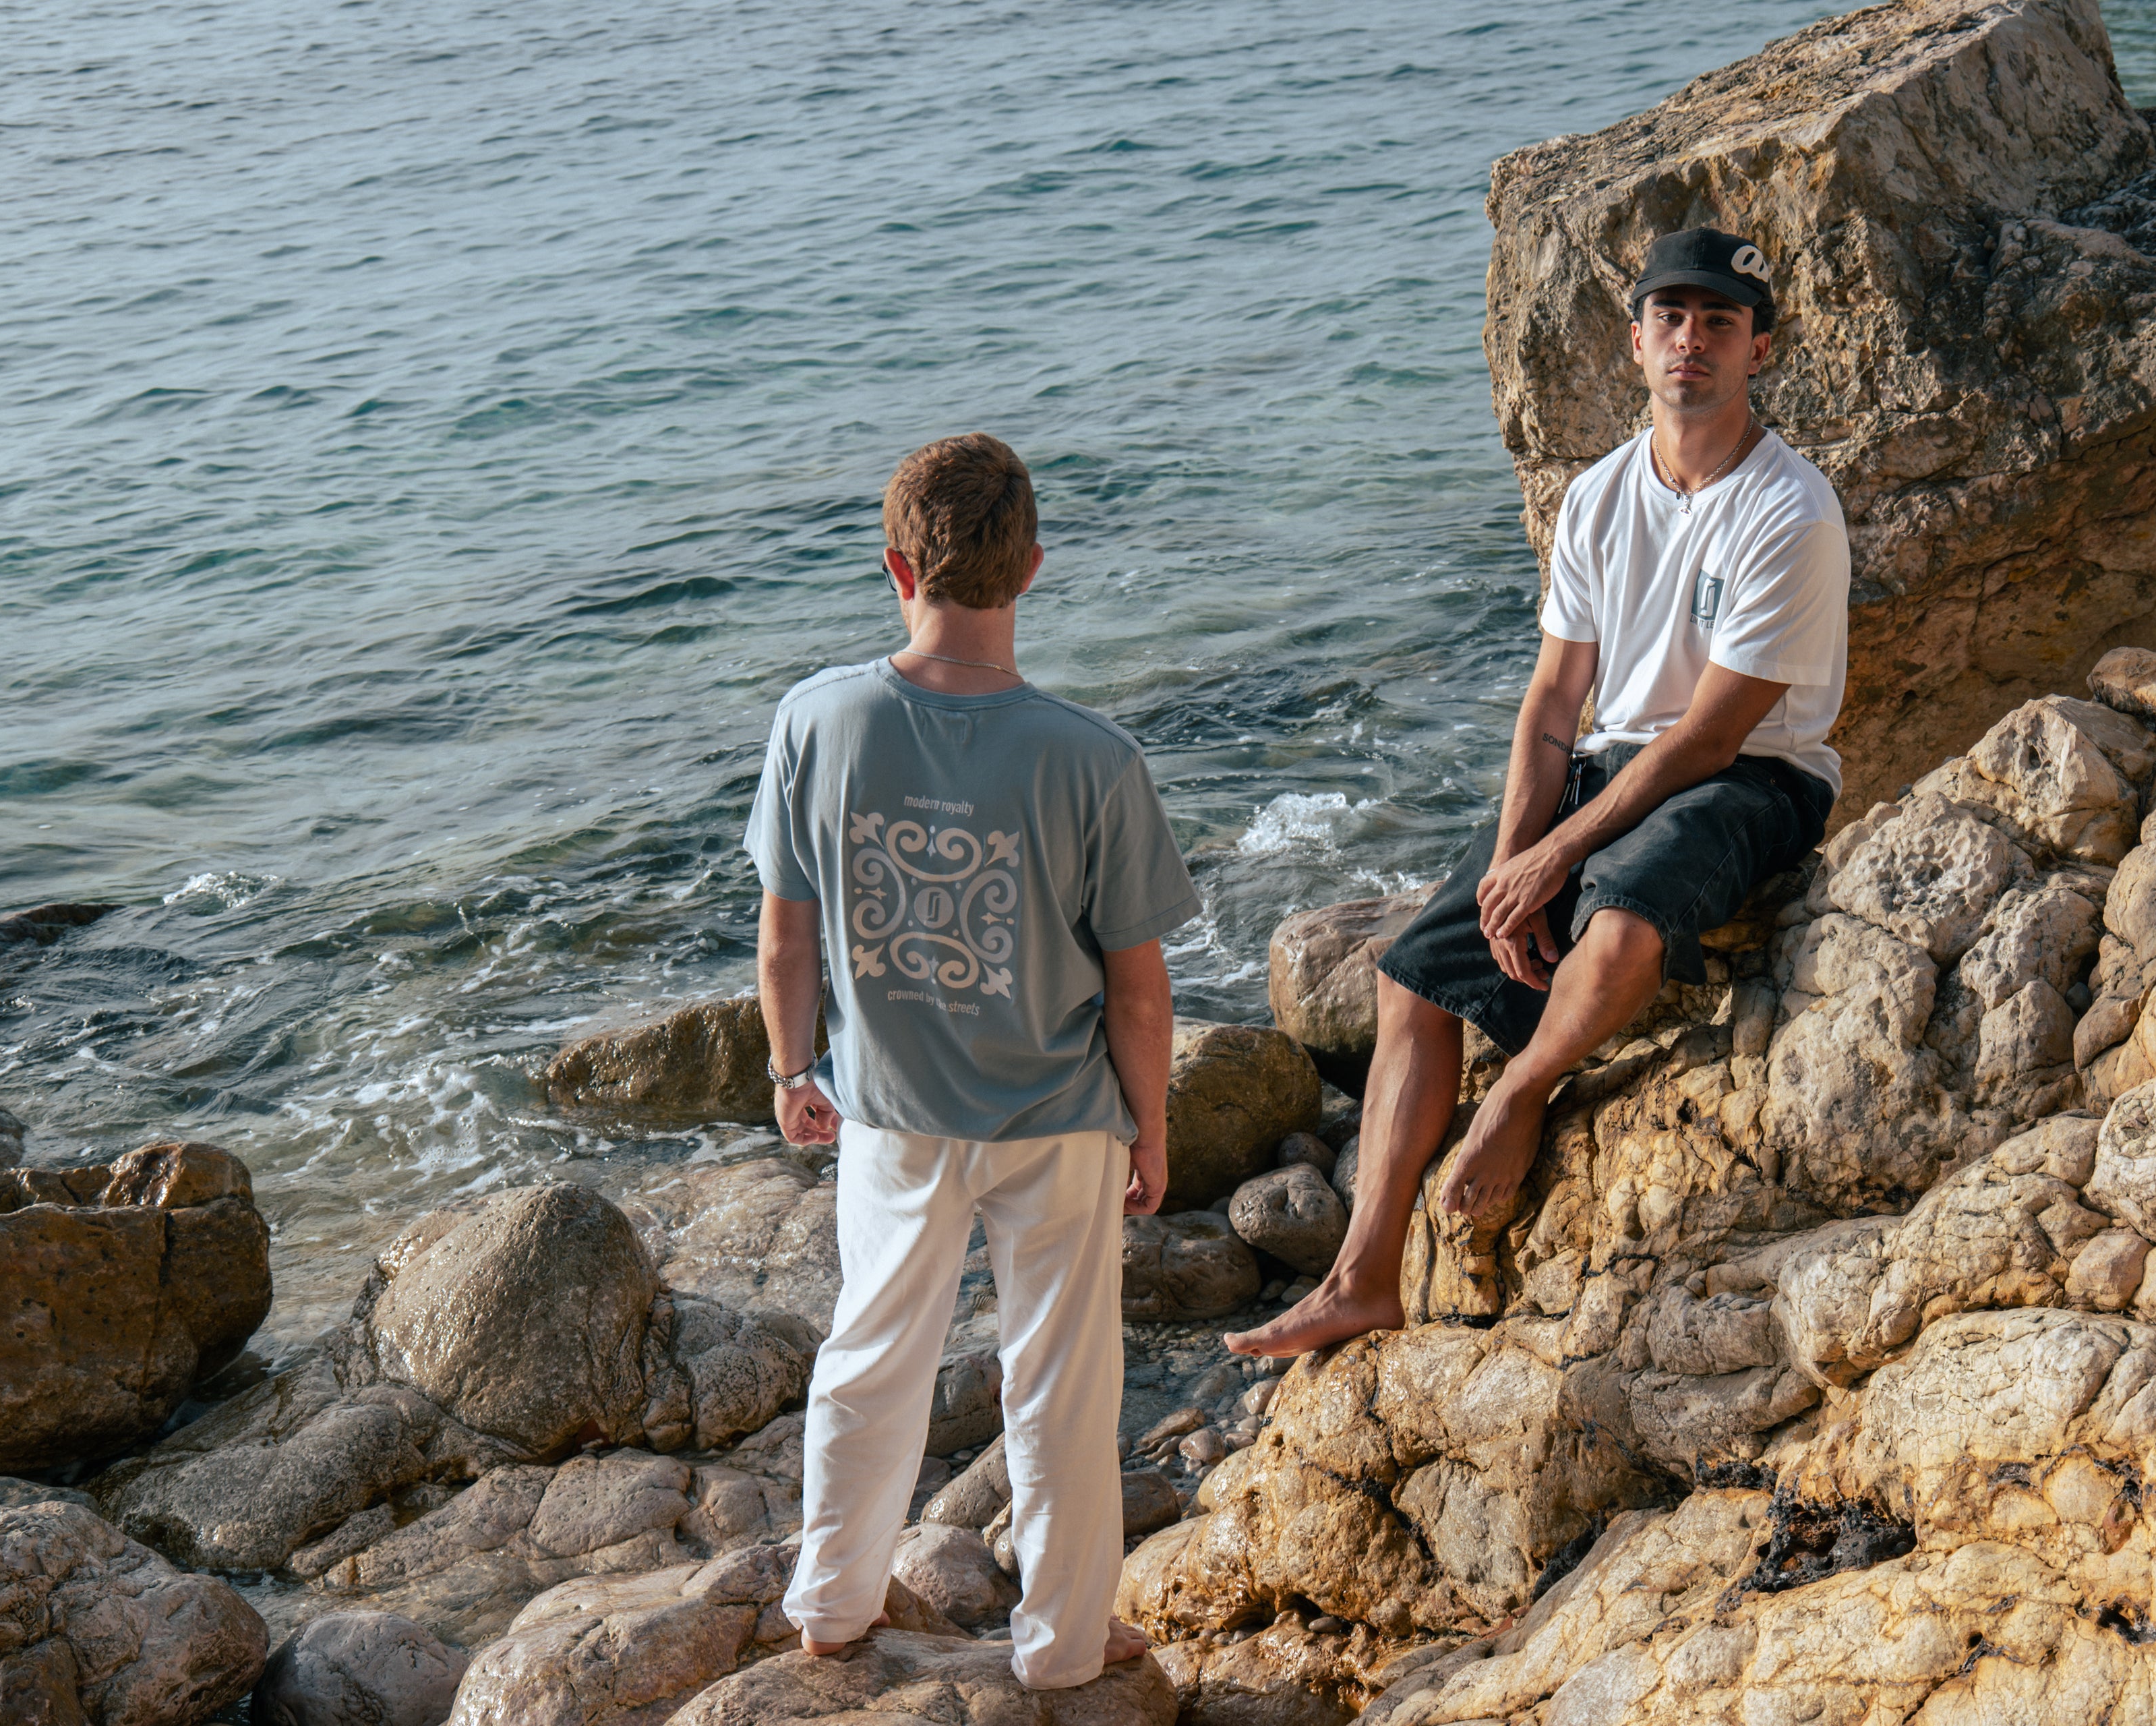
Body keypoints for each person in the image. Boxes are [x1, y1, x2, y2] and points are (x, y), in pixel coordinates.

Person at [1228, 227, 1848, 1360]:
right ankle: (1363, 1272)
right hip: (1610, 767)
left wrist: (1562, 860)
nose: (1690, 343)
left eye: (1718, 322)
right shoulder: (1601, 497)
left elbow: (1713, 733)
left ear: (1762, 346)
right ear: (1636, 342)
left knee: (1618, 925)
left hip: (1757, 776)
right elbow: (1555, 704)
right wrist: (1516, 864)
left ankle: (1523, 1094)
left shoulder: (1790, 509)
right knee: (1411, 975)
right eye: (1671, 318)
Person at [748, 431, 1201, 1683]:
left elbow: (787, 935)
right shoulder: (1095, 760)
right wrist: (1149, 1129)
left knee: (869, 1354)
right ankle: (1060, 1646)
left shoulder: (817, 720)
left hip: (892, 1111)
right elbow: (1139, 988)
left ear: (897, 565)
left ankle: (832, 1606)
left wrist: (795, 1071)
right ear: (1034, 569)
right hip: (1058, 1116)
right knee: (1060, 1380)